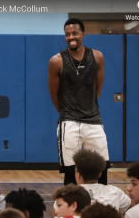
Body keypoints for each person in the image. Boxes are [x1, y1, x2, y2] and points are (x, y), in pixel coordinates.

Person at [48, 17, 109, 186]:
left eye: (75, 33)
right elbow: (54, 94)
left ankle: (100, 207)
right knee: (70, 170)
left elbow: (98, 88)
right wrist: (67, 114)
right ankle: (70, 207)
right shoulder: (56, 61)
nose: (71, 37)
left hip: (94, 121)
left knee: (101, 165)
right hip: (69, 123)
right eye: (67, 34)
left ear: (83, 34)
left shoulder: (97, 57)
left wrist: (88, 107)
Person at [73, 149, 131, 214]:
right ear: (100, 174)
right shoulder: (115, 191)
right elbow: (130, 207)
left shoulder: (68, 196)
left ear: (78, 175)